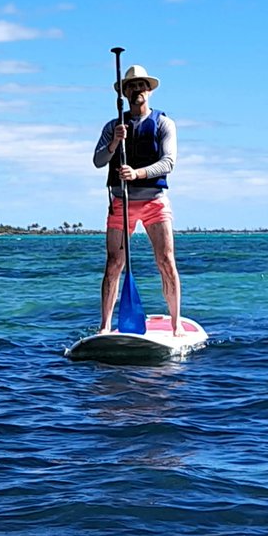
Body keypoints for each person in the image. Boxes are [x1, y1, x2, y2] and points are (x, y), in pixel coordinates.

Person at [92, 64, 182, 335]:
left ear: (149, 91)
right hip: (121, 202)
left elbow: (168, 162)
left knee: (166, 261)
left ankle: (176, 324)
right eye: (131, 86)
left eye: (141, 86)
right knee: (113, 265)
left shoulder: (164, 123)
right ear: (125, 92)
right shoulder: (113, 126)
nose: (137, 90)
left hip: (154, 200)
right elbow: (98, 161)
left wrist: (138, 173)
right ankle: (105, 325)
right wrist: (113, 143)